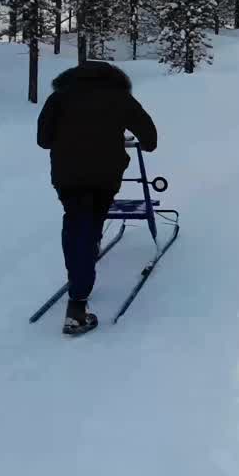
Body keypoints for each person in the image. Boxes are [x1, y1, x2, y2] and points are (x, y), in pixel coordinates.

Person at [37, 60, 158, 335]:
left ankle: (82, 269)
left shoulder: (59, 97)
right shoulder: (119, 97)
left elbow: (43, 139)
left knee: (76, 222)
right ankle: (78, 303)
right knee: (90, 221)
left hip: (67, 176)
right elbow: (149, 140)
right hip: (105, 175)